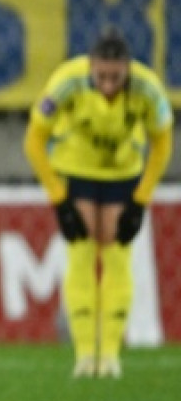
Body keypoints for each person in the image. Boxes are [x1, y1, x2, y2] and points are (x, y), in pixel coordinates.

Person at [24, 28, 173, 380]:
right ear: (90, 67)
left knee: (117, 251)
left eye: (116, 77)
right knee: (81, 250)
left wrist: (142, 200)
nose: (108, 84)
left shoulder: (148, 88)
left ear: (128, 70)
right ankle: (84, 356)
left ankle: (110, 355)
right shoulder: (68, 80)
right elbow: (33, 140)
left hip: (123, 174)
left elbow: (163, 142)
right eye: (101, 76)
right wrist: (59, 199)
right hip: (75, 169)